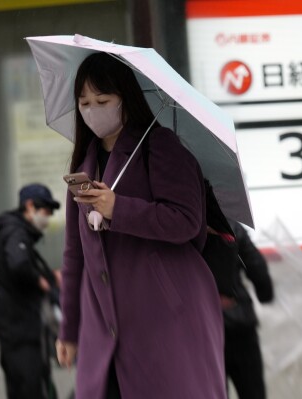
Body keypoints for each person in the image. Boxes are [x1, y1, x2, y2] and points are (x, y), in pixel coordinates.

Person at [55, 52, 226, 399]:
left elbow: (186, 220)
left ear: (125, 99)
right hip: (104, 327)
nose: (92, 110)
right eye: (84, 102)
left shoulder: (159, 146)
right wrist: (69, 331)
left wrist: (119, 208)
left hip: (165, 317)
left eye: (103, 100)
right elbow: (75, 257)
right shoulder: (83, 166)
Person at [0, 183, 61, 399]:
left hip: (14, 329)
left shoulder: (13, 231)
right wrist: (41, 281)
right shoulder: (15, 232)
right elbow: (18, 264)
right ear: (29, 206)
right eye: (45, 211)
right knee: (30, 389)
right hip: (20, 331)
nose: (47, 218)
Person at [221, 219, 274, 399]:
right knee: (253, 392)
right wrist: (265, 294)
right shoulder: (233, 227)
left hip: (204, 331)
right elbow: (257, 267)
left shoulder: (186, 231)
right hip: (241, 324)